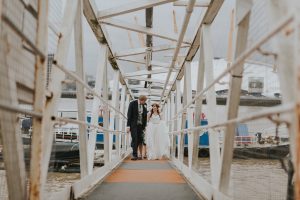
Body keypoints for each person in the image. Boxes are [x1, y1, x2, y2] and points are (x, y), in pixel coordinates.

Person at [126, 95, 148, 160]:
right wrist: (128, 126)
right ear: (141, 100)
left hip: (141, 126)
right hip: (133, 125)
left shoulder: (144, 106)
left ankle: (137, 152)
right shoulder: (132, 103)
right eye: (144, 101)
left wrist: (144, 126)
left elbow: (145, 117)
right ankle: (134, 155)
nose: (144, 102)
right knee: (135, 138)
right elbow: (129, 115)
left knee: (139, 140)